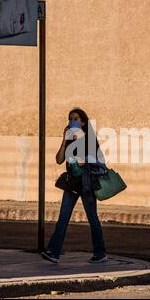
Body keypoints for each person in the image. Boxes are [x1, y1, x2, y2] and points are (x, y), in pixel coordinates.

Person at [41, 108, 108, 264]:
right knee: (63, 218)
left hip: (87, 184)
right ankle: (53, 252)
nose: (73, 121)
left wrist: (82, 159)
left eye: (76, 118)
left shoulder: (89, 139)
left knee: (92, 218)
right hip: (72, 184)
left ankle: (100, 252)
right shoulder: (69, 139)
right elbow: (59, 159)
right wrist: (64, 141)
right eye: (70, 118)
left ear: (83, 122)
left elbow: (94, 160)